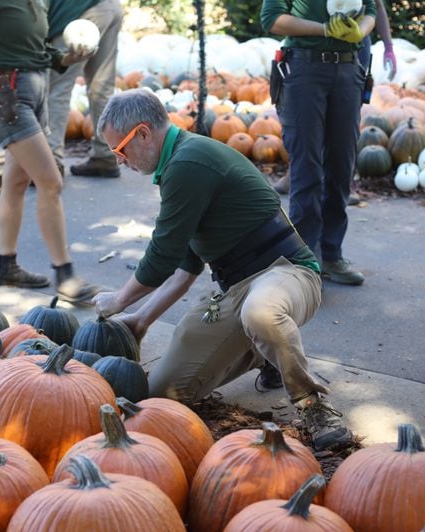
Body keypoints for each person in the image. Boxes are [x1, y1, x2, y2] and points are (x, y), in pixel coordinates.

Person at [92, 89, 353, 452]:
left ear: (142, 134)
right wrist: (140, 320)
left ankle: (313, 405)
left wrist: (119, 300)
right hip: (235, 288)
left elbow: (162, 255)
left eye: (119, 150)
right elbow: (184, 268)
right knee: (165, 393)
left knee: (261, 312)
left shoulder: (189, 163)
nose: (120, 161)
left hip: (288, 273)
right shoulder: (177, 165)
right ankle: (269, 353)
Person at [0, 0, 99, 302]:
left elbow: (36, 48)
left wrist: (66, 58)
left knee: (15, 183)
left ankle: (5, 265)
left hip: (34, 91)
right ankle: (65, 275)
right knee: (51, 182)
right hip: (6, 96)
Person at [261, 2, 376, 286]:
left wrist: (358, 31)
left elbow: (371, 10)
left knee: (341, 168)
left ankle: (332, 255)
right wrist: (324, 29)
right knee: (307, 169)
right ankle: (304, 261)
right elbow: (272, 19)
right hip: (303, 68)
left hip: (349, 70)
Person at [47, 0, 123, 178]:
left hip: (78, 14)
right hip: (109, 7)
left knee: (58, 88)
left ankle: (51, 164)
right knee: (102, 86)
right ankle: (105, 155)